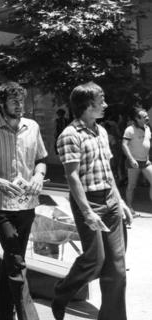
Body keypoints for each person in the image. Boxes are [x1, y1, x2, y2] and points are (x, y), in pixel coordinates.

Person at [52, 82, 131, 320]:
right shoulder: (70, 135)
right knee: (95, 260)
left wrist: (121, 201)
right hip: (88, 202)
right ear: (88, 105)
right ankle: (62, 291)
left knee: (117, 270)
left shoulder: (102, 131)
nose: (105, 105)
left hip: (109, 198)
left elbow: (107, 170)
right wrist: (87, 212)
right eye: (102, 100)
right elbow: (72, 176)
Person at [0, 82, 46, 320]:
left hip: (28, 205)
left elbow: (41, 159)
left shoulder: (32, 127)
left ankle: (3, 316)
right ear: (2, 104)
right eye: (14, 101)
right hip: (0, 206)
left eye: (21, 101)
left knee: (12, 262)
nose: (19, 106)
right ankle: (29, 316)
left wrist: (39, 176)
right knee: (15, 262)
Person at [122, 108, 152, 213]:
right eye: (144, 117)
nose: (147, 118)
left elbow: (147, 144)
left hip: (146, 162)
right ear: (137, 119)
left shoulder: (148, 128)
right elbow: (124, 145)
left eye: (147, 116)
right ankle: (129, 207)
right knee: (131, 186)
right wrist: (131, 159)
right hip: (133, 162)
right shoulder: (130, 129)